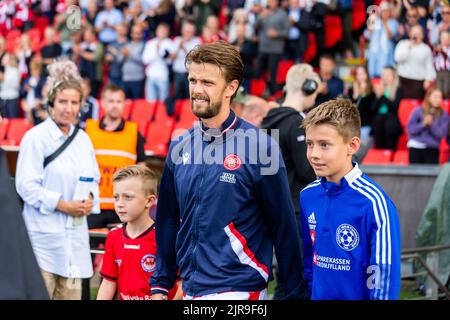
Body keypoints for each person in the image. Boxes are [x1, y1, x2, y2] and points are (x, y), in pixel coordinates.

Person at [150, 40, 304, 300]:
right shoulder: (180, 145)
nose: (197, 90)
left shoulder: (261, 147)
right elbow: (167, 219)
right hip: (192, 287)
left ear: (231, 88)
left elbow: (283, 225)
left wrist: (294, 293)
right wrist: (161, 283)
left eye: (207, 83)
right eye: (193, 80)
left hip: (240, 287)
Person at [15, 59, 101, 300]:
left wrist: (89, 200)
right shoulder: (36, 138)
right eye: (63, 101)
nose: (69, 108)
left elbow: (93, 179)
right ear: (51, 104)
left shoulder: (83, 140)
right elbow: (25, 186)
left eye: (75, 102)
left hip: (74, 243)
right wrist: (62, 204)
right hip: (42, 241)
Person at [300, 98, 401, 299]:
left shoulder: (373, 203)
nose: (314, 154)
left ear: (352, 146)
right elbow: (309, 261)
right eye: (310, 144)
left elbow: (383, 277)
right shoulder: (308, 195)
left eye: (325, 145)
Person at [261, 63, 319, 299]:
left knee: (286, 282)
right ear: (308, 87)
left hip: (275, 209)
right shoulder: (295, 122)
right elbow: (307, 172)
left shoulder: (269, 120)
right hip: (295, 211)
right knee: (296, 284)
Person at [97, 165, 181, 300]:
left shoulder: (165, 236)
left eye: (128, 197)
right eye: (116, 197)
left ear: (149, 201)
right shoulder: (114, 236)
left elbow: (182, 284)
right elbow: (108, 283)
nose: (120, 204)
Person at [85, 84, 147, 230]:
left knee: (121, 252)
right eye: (111, 101)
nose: (115, 105)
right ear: (103, 103)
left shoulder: (133, 132)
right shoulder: (88, 130)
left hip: (122, 207)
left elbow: (142, 169)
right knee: (88, 250)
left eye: (118, 101)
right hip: (93, 205)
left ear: (124, 104)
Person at [254, 0, 290, 97]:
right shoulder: (264, 12)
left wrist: (277, 33)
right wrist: (260, 17)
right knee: (257, 71)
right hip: (262, 48)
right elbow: (256, 26)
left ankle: (273, 95)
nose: (270, 2)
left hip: (275, 50)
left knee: (272, 74)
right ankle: (259, 91)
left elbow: (287, 32)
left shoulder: (282, 14)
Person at [406, 88, 450, 164]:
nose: (438, 99)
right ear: (429, 97)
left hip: (432, 148)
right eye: (435, 96)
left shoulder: (444, 115)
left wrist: (431, 124)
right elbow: (410, 129)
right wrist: (423, 124)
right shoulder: (418, 111)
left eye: (440, 97)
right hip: (415, 146)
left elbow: (442, 134)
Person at [394, 24, 436, 100]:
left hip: (417, 82)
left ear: (422, 36)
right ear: (410, 33)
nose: (415, 36)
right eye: (413, 33)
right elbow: (398, 58)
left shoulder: (426, 49)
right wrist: (410, 46)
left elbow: (430, 67)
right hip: (402, 80)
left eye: (418, 34)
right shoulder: (402, 44)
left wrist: (428, 80)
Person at [347, 65, 376, 161]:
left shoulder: (372, 92)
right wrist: (355, 95)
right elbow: (350, 109)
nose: (360, 76)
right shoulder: (351, 90)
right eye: (358, 74)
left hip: (365, 125)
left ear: (367, 75)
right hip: (352, 126)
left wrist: (364, 95)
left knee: (360, 148)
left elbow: (371, 109)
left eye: (362, 74)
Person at [371, 66, 403, 151]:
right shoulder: (378, 89)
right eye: (384, 75)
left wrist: (382, 96)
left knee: (388, 124)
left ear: (393, 77)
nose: (385, 77)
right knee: (377, 121)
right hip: (379, 123)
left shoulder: (398, 90)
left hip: (391, 123)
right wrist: (378, 96)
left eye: (388, 75)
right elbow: (373, 109)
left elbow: (394, 108)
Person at [142, 22, 174, 102]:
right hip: (151, 76)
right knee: (150, 103)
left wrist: (161, 51)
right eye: (161, 30)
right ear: (156, 31)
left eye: (164, 30)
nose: (162, 32)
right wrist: (156, 51)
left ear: (167, 32)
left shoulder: (170, 43)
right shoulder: (150, 43)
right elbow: (145, 60)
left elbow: (169, 61)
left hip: (163, 77)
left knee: (163, 103)